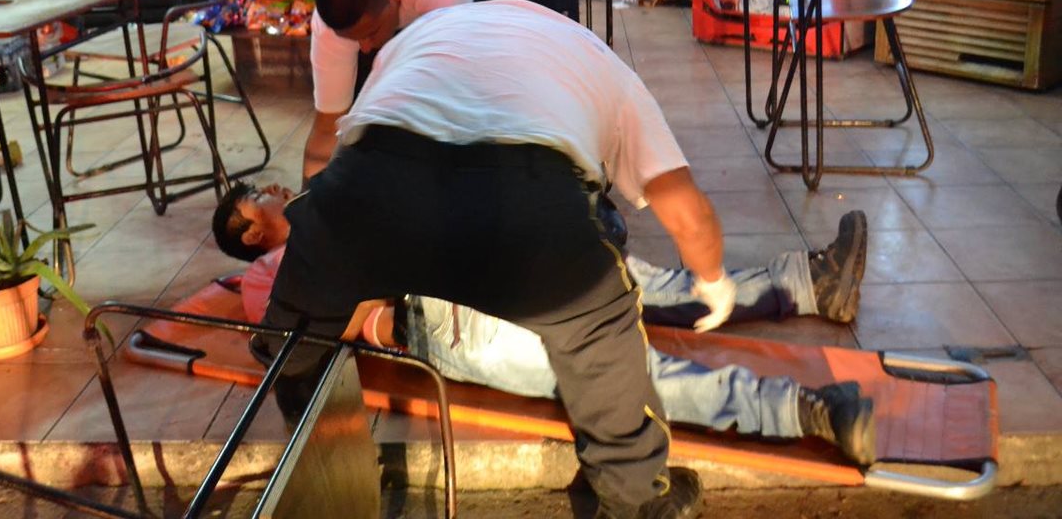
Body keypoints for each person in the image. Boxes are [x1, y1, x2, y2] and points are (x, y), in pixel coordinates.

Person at [244, 0, 837, 519]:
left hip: (365, 192)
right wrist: (712, 280)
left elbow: (356, 142)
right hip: (520, 209)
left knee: (294, 351)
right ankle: (633, 498)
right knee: (604, 336)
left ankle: (323, 475)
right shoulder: (598, 60)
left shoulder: (423, 35)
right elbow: (685, 211)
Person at [214, 185, 876, 467]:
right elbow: (299, 347)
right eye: (256, 196)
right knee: (627, 378)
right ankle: (808, 411)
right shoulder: (267, 276)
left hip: (483, 261)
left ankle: (807, 285)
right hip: (444, 316)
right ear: (250, 228)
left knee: (641, 286)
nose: (271, 191)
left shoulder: (326, 197)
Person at [302, 0, 578, 183]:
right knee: (367, 99)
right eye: (354, 39)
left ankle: (563, 170)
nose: (365, 47)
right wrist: (302, 217)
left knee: (519, 40)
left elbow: (460, 93)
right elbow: (327, 129)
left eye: (370, 33)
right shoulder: (330, 25)